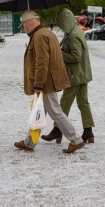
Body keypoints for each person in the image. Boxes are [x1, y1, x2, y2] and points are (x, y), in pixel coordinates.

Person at [14, 10, 85, 154]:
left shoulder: (39, 36)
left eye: (24, 25)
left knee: (55, 112)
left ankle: (75, 140)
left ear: (29, 23)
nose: (24, 28)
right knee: (39, 112)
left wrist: (38, 84)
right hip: (48, 80)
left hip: (45, 82)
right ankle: (29, 142)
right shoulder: (45, 33)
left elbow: (42, 62)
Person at [41, 9, 95, 144]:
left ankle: (57, 130)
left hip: (75, 74)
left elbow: (76, 57)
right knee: (83, 103)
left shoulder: (73, 36)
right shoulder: (75, 31)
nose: (60, 26)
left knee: (64, 102)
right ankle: (88, 132)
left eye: (61, 23)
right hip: (83, 73)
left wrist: (59, 54)